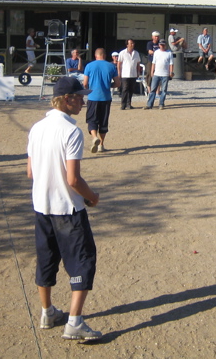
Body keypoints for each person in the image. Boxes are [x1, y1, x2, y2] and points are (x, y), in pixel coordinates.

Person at [26, 76, 102, 341]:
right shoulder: (71, 131)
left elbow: (30, 172)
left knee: (46, 259)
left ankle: (47, 312)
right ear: (67, 99)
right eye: (80, 97)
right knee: (82, 260)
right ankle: (75, 322)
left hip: (42, 206)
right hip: (67, 209)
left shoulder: (37, 128)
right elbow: (73, 179)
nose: (83, 101)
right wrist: (92, 197)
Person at [83, 48, 120, 153]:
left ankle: (94, 137)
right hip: (105, 97)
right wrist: (109, 85)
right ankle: (101, 145)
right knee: (103, 121)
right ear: (105, 55)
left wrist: (88, 88)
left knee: (92, 119)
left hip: (93, 97)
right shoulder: (111, 66)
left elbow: (85, 83)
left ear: (96, 56)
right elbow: (118, 83)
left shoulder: (89, 66)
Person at [144, 39, 174, 110]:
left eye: (163, 44)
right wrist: (152, 71)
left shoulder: (169, 53)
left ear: (165, 45)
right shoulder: (156, 52)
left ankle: (161, 104)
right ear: (159, 45)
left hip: (165, 74)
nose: (162, 46)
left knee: (164, 90)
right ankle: (149, 104)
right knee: (153, 90)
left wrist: (171, 72)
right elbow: (153, 63)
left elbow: (171, 64)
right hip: (156, 73)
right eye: (161, 44)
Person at [117, 39, 141, 110]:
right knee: (125, 89)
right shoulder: (122, 53)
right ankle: (123, 104)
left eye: (133, 43)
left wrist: (138, 72)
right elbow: (119, 63)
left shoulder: (136, 53)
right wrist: (119, 72)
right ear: (127, 45)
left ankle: (129, 104)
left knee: (131, 89)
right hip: (125, 74)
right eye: (131, 43)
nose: (132, 44)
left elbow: (138, 64)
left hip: (133, 74)